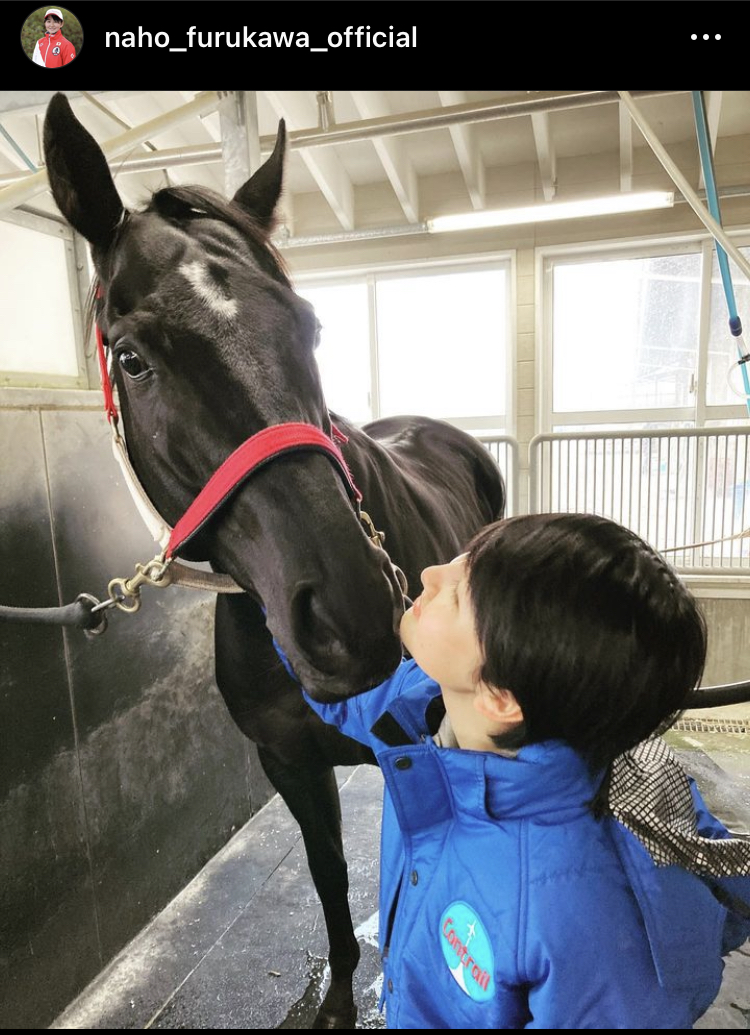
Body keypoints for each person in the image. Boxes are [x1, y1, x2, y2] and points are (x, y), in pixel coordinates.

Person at [289, 512, 750, 1029]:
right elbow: (350, 694)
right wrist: (278, 603)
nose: (428, 575)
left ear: (499, 697)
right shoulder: (430, 710)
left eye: (458, 594)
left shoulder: (583, 923)